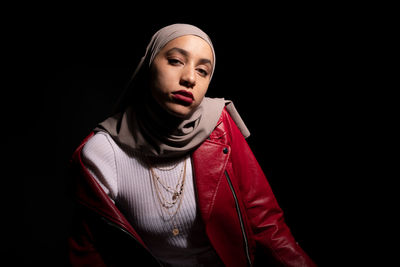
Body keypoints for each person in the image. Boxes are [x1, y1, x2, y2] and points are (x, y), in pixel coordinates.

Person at [67, 23, 317, 267]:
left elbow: (265, 221)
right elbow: (89, 250)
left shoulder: (219, 125)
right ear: (148, 65)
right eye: (175, 61)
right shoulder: (102, 152)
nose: (189, 78)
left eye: (202, 71)